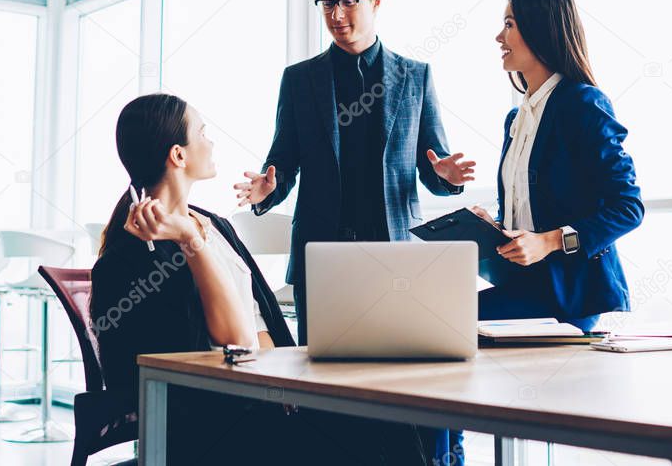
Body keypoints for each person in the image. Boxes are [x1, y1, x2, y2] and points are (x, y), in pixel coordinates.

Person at [90, 93, 428, 465]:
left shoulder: (213, 224)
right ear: (178, 155)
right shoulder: (138, 254)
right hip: (222, 424)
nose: (211, 141)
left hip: (270, 395)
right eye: (202, 133)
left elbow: (260, 319)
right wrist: (191, 241)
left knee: (390, 417)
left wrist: (295, 380)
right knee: (381, 432)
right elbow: (235, 342)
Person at [234, 0, 474, 464]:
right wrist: (264, 192)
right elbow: (282, 163)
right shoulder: (300, 80)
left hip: (397, 257)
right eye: (327, 4)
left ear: (376, 0)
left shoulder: (416, 75)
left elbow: (433, 161)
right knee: (328, 387)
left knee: (403, 387)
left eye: (348, 2)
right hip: (325, 258)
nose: (337, 15)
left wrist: (446, 178)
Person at [471, 0, 643, 332]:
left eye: (509, 25)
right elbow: (529, 214)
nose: (498, 37)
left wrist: (549, 241)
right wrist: (493, 228)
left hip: (568, 294)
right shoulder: (515, 120)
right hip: (522, 284)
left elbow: (628, 208)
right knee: (438, 314)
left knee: (447, 319)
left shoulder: (583, 104)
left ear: (541, 30)